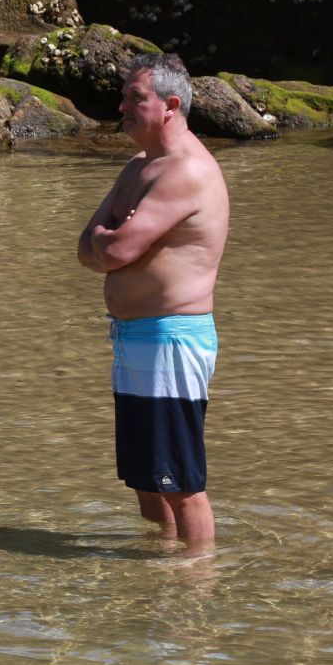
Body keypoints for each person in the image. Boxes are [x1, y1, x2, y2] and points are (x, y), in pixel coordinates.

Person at [76, 53, 229, 550]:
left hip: (172, 337)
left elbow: (113, 247)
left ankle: (196, 584)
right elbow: (87, 250)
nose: (121, 106)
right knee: (146, 479)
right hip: (133, 337)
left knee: (181, 482)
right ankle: (160, 567)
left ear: (170, 105)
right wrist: (105, 241)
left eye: (133, 98)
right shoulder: (138, 166)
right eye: (124, 96)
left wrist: (106, 239)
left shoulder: (187, 171)